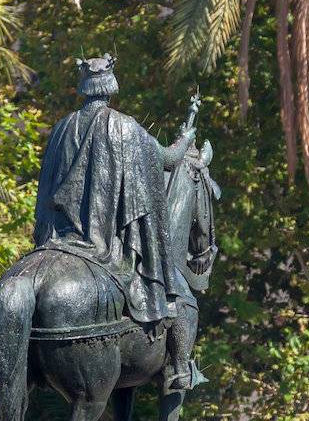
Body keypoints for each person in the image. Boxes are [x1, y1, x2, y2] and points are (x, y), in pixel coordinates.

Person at [32, 53, 196, 390]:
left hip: (58, 239)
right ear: (110, 85)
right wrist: (187, 137)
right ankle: (180, 367)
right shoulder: (124, 127)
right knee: (177, 290)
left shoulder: (62, 127)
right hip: (105, 244)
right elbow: (169, 159)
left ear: (84, 85)